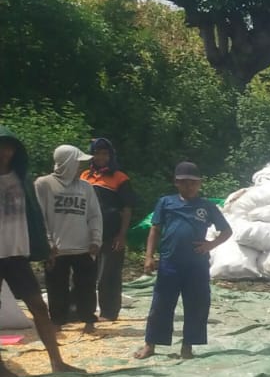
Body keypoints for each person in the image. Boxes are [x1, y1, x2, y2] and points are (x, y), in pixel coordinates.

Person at [0, 128, 84, 377]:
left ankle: (57, 361)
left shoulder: (20, 179)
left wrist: (45, 246)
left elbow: (35, 216)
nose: (5, 152)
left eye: (9, 147)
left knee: (38, 306)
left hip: (16, 255)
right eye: (1, 146)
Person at [133, 162, 231, 361]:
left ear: (200, 184)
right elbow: (155, 229)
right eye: (184, 182)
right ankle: (150, 344)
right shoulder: (166, 202)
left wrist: (210, 245)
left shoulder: (207, 206)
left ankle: (188, 346)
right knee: (161, 304)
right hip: (170, 262)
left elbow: (227, 231)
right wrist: (149, 256)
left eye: (193, 183)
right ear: (176, 182)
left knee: (197, 304)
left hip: (197, 264)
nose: (189, 186)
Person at [35, 145, 103, 333]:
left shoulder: (86, 187)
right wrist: (47, 243)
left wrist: (96, 239)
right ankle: (57, 322)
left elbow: (94, 215)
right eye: (77, 163)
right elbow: (40, 217)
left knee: (86, 286)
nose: (80, 167)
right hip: (57, 249)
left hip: (84, 247)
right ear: (66, 163)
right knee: (56, 287)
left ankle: (88, 320)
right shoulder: (44, 184)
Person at [82, 137, 135, 321]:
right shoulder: (84, 176)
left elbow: (127, 208)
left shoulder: (120, 178)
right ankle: (82, 310)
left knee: (108, 274)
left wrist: (122, 234)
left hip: (111, 232)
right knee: (85, 273)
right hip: (87, 233)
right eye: (97, 153)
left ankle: (109, 312)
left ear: (111, 156)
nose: (101, 157)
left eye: (105, 153)